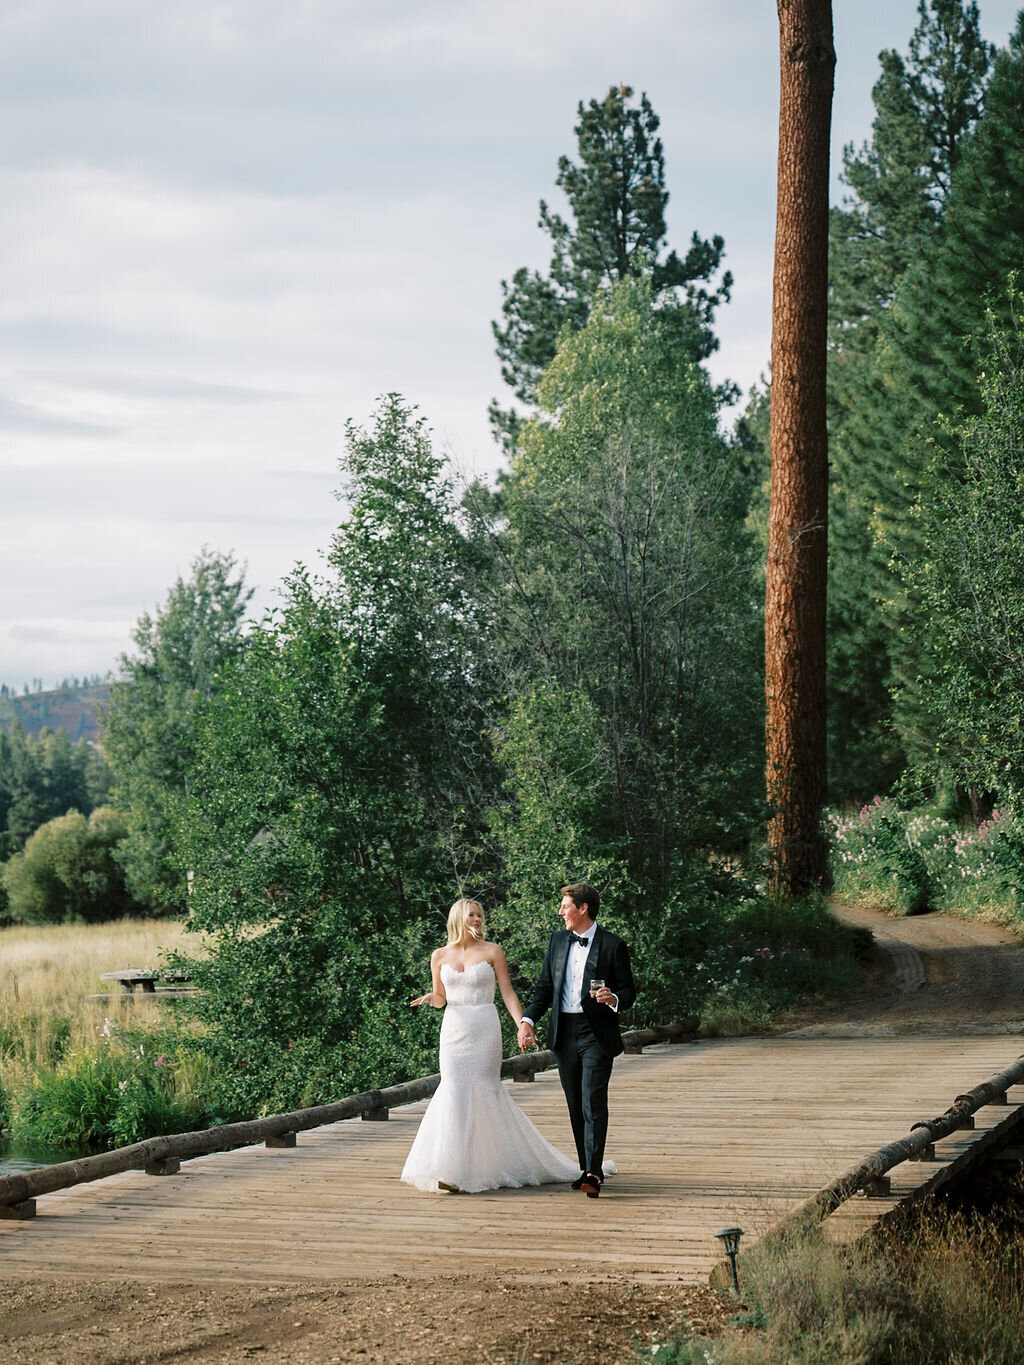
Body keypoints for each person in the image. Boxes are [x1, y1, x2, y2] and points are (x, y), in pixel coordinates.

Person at [400, 898, 580, 1194]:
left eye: (480, 915)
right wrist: (433, 999)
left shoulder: (493, 951)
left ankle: (489, 1165)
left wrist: (523, 1024)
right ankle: (451, 1170)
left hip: (484, 1027)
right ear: (458, 918)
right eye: (472, 915)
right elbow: (441, 996)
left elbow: (507, 993)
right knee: (454, 1090)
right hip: (454, 1029)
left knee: (484, 1090)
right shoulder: (439, 955)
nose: (478, 919)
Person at [517, 882, 636, 1198]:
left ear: (583, 909)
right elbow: (545, 989)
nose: (560, 911)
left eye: (565, 905)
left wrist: (613, 999)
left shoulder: (612, 945)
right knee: (574, 1104)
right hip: (563, 1033)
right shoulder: (557, 941)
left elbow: (629, 991)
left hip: (596, 1032)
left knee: (592, 1101)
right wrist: (527, 1020)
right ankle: (586, 1169)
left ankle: (594, 1173)